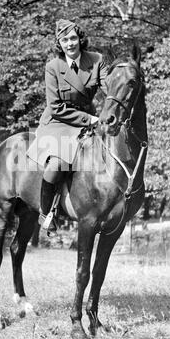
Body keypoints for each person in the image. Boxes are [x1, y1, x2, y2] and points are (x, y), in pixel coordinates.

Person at [27, 19, 108, 232]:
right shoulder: (53, 67)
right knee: (57, 164)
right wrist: (89, 119)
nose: (70, 44)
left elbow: (109, 87)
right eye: (65, 40)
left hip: (89, 120)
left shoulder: (96, 59)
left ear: (80, 39)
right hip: (59, 121)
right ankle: (46, 213)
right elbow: (55, 107)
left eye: (73, 38)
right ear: (59, 44)